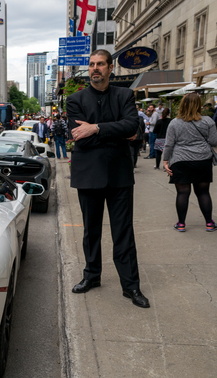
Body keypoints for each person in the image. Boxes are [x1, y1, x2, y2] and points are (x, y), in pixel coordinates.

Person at [67, 49, 149, 308]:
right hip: (88, 175)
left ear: (110, 68)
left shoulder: (125, 95)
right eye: (91, 64)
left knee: (123, 232)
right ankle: (91, 276)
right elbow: (78, 135)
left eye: (100, 64)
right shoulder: (74, 99)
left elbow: (131, 126)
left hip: (119, 175)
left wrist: (96, 127)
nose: (95, 69)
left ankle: (131, 287)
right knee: (91, 232)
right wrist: (112, 131)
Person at [163, 93, 217, 232]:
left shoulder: (174, 122)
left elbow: (169, 144)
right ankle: (209, 223)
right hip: (202, 160)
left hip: (180, 160)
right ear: (199, 105)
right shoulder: (208, 121)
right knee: (203, 192)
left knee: (182, 193)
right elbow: (214, 142)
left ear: (182, 105)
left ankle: (181, 224)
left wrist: (165, 161)